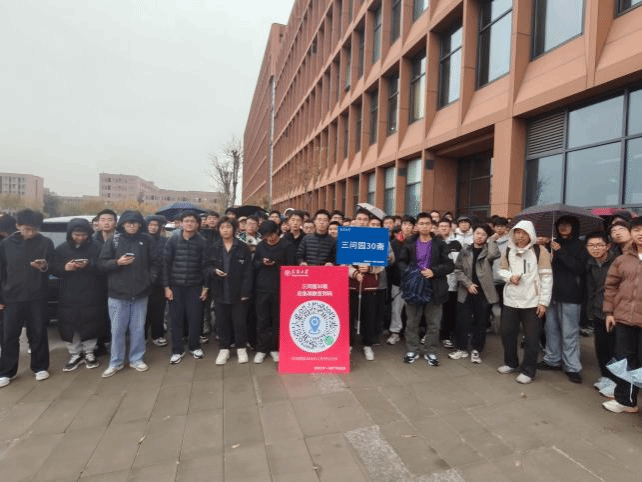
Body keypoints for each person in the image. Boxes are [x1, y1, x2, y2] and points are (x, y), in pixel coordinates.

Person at [97, 211, 159, 377]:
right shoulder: (114, 240)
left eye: (135, 222)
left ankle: (136, 359)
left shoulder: (147, 240)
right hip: (117, 293)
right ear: (123, 224)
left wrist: (150, 279)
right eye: (128, 222)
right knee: (117, 330)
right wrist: (117, 262)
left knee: (138, 329)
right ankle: (116, 362)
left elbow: (155, 262)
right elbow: (101, 264)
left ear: (140, 224)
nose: (131, 225)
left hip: (141, 292)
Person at [0, 209, 54, 388]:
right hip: (12, 297)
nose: (31, 233)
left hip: (37, 296)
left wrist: (44, 266)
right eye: (27, 229)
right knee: (9, 335)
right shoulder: (6, 244)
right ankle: (6, 371)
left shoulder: (45, 242)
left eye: (34, 229)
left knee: (38, 332)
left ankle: (40, 367)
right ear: (18, 226)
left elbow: (53, 266)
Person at [496, 220, 552, 384]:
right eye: (517, 232)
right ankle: (510, 362)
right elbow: (501, 270)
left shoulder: (540, 251)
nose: (520, 236)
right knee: (507, 333)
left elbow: (547, 277)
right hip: (511, 300)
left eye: (524, 233)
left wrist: (543, 302)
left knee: (531, 338)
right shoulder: (508, 249)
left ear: (531, 234)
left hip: (532, 302)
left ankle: (528, 370)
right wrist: (509, 277)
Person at [397, 212, 454, 367]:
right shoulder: (410, 242)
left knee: (434, 323)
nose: (424, 226)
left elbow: (449, 265)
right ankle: (413, 350)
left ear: (431, 225)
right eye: (421, 223)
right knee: (412, 322)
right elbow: (401, 262)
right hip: (414, 288)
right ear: (417, 226)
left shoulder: (440, 244)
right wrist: (410, 272)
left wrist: (434, 271)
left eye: (427, 223)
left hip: (434, 288)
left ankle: (431, 351)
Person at [538, 216, 587, 384]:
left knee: (569, 332)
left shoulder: (580, 246)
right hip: (552, 294)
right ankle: (552, 360)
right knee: (551, 329)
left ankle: (572, 367)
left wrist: (560, 251)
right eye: (560, 225)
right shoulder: (552, 244)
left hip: (571, 295)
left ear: (574, 227)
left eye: (567, 225)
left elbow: (578, 267)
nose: (563, 227)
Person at [52, 218, 104, 371]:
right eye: (77, 235)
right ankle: (75, 353)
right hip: (68, 293)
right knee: (70, 324)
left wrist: (89, 264)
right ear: (70, 234)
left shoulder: (97, 247)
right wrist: (64, 268)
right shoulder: (61, 249)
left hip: (92, 291)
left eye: (84, 235)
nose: (80, 238)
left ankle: (89, 352)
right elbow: (53, 268)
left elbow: (103, 266)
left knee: (91, 322)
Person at [602, 217, 642, 413]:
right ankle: (626, 401)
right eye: (637, 229)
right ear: (631, 233)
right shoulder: (622, 259)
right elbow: (611, 287)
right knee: (624, 360)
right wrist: (609, 312)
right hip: (624, 318)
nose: (640, 233)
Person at [163, 211, 209, 364]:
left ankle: (194, 346)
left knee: (195, 318)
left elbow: (205, 266)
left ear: (197, 224)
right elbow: (166, 265)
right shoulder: (173, 240)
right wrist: (166, 287)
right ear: (181, 223)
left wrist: (206, 287)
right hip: (176, 286)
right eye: (187, 221)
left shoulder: (202, 242)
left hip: (195, 286)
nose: (189, 223)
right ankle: (177, 350)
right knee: (175, 319)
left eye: (192, 221)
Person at [450, 225, 499, 363]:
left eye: (483, 234)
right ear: (473, 234)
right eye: (477, 233)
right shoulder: (465, 250)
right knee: (462, 321)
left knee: (481, 322)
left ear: (487, 237)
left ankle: (476, 350)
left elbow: (494, 255)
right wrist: (468, 284)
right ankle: (461, 348)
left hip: (484, 292)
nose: (479, 236)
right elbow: (457, 269)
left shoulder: (488, 250)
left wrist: (492, 240)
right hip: (466, 290)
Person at [208, 217, 253, 365]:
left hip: (238, 292)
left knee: (240, 322)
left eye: (228, 227)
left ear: (234, 229)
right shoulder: (214, 247)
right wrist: (214, 271)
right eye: (222, 227)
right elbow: (206, 266)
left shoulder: (243, 247)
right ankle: (224, 349)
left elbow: (248, 272)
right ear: (219, 230)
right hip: (220, 291)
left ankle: (241, 348)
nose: (225, 230)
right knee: (222, 322)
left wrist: (245, 292)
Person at [252, 221, 296, 363]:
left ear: (277, 231)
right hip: (262, 288)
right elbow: (254, 264)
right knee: (262, 320)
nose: (269, 238)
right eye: (266, 236)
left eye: (271, 235)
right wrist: (261, 262)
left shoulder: (287, 246)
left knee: (277, 320)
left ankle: (275, 348)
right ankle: (261, 349)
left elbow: (291, 267)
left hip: (280, 288)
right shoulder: (260, 246)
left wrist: (276, 264)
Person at [584, 231, 617, 398]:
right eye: (591, 245)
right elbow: (590, 289)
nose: (595, 248)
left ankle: (616, 382)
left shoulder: (616, 262)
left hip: (614, 313)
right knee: (601, 347)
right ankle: (606, 377)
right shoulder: (590, 263)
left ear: (608, 246)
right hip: (598, 311)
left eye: (599, 245)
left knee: (614, 349)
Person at [436, 217, 461, 349]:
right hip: (436, 282)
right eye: (441, 226)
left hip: (452, 283)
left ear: (451, 228)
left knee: (449, 311)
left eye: (446, 226)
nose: (444, 228)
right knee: (434, 310)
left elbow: (459, 263)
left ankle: (446, 336)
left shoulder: (456, 244)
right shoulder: (434, 242)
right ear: (438, 228)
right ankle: (432, 334)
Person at [145, 215, 168, 347]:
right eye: (150, 225)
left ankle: (157, 335)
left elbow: (166, 261)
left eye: (155, 225)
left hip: (159, 281)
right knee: (144, 311)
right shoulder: (141, 240)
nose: (153, 227)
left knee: (159, 310)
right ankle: (142, 336)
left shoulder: (164, 241)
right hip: (143, 281)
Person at [490, 217, 510, 331]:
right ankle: (489, 325)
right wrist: (492, 240)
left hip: (504, 278)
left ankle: (504, 327)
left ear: (505, 227)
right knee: (488, 304)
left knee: (504, 304)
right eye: (497, 226)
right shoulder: (489, 240)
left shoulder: (510, 241)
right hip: (491, 277)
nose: (499, 228)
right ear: (494, 227)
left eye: (502, 226)